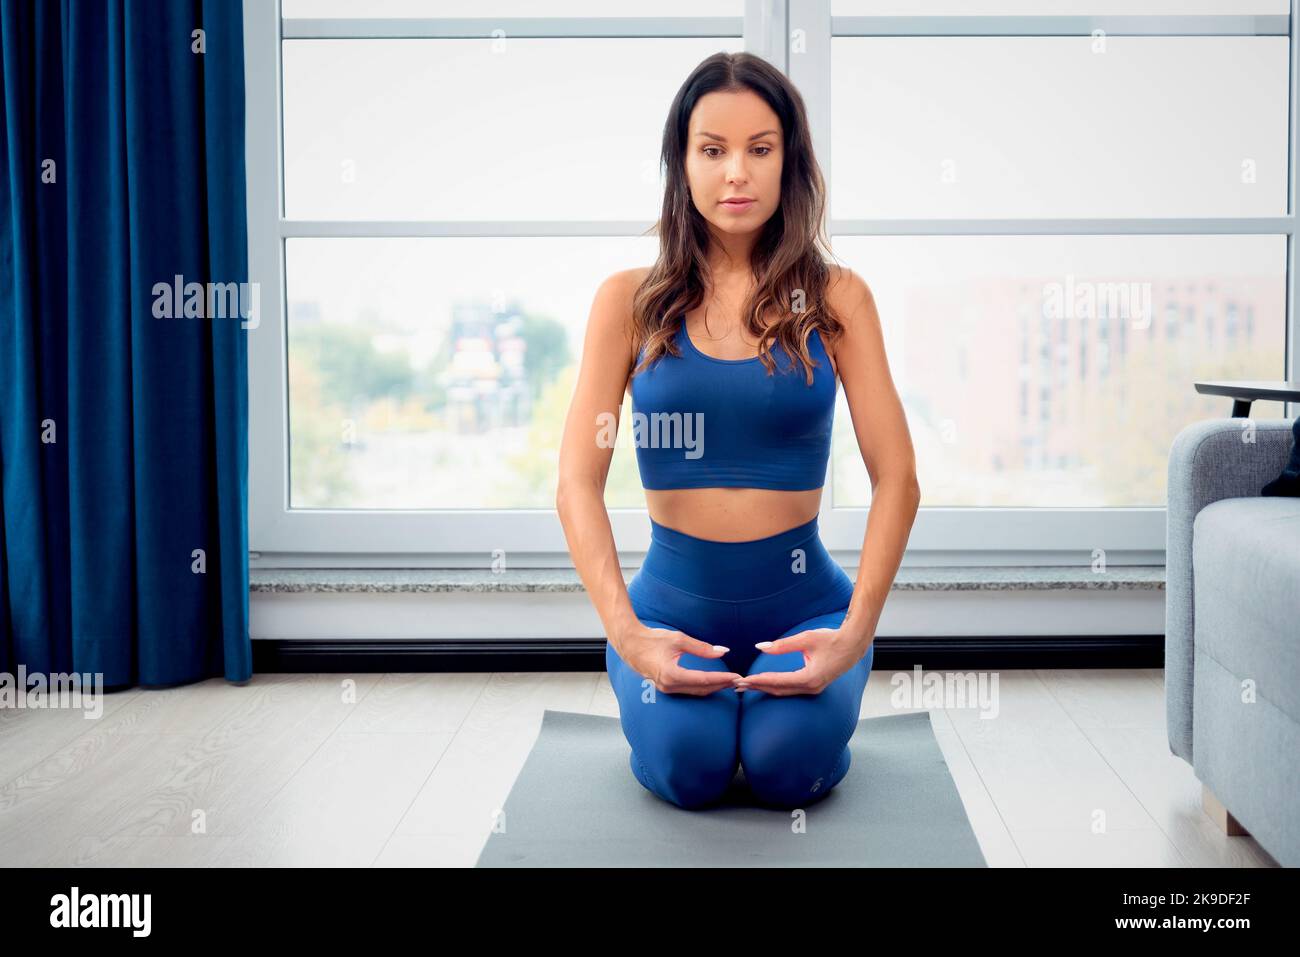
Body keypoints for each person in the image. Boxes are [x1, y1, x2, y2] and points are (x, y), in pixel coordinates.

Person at [556, 51, 920, 810]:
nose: (736, 174)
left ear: (789, 162)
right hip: (669, 611)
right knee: (690, 771)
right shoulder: (626, 302)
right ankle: (705, 716)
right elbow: (576, 483)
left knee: (785, 769)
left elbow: (898, 478)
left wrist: (852, 633)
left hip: (805, 610)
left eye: (760, 148)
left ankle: (783, 715)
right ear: (681, 163)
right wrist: (630, 635)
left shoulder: (837, 297)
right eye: (713, 150)